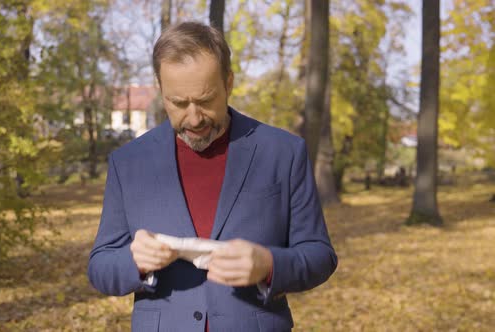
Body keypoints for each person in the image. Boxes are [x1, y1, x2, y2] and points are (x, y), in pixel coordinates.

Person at [88, 21, 337, 332]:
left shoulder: (284, 152)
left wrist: (270, 265)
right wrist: (133, 260)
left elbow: (320, 255)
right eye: (178, 103)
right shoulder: (128, 162)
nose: (194, 118)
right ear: (161, 89)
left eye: (205, 100)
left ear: (228, 83)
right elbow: (99, 267)